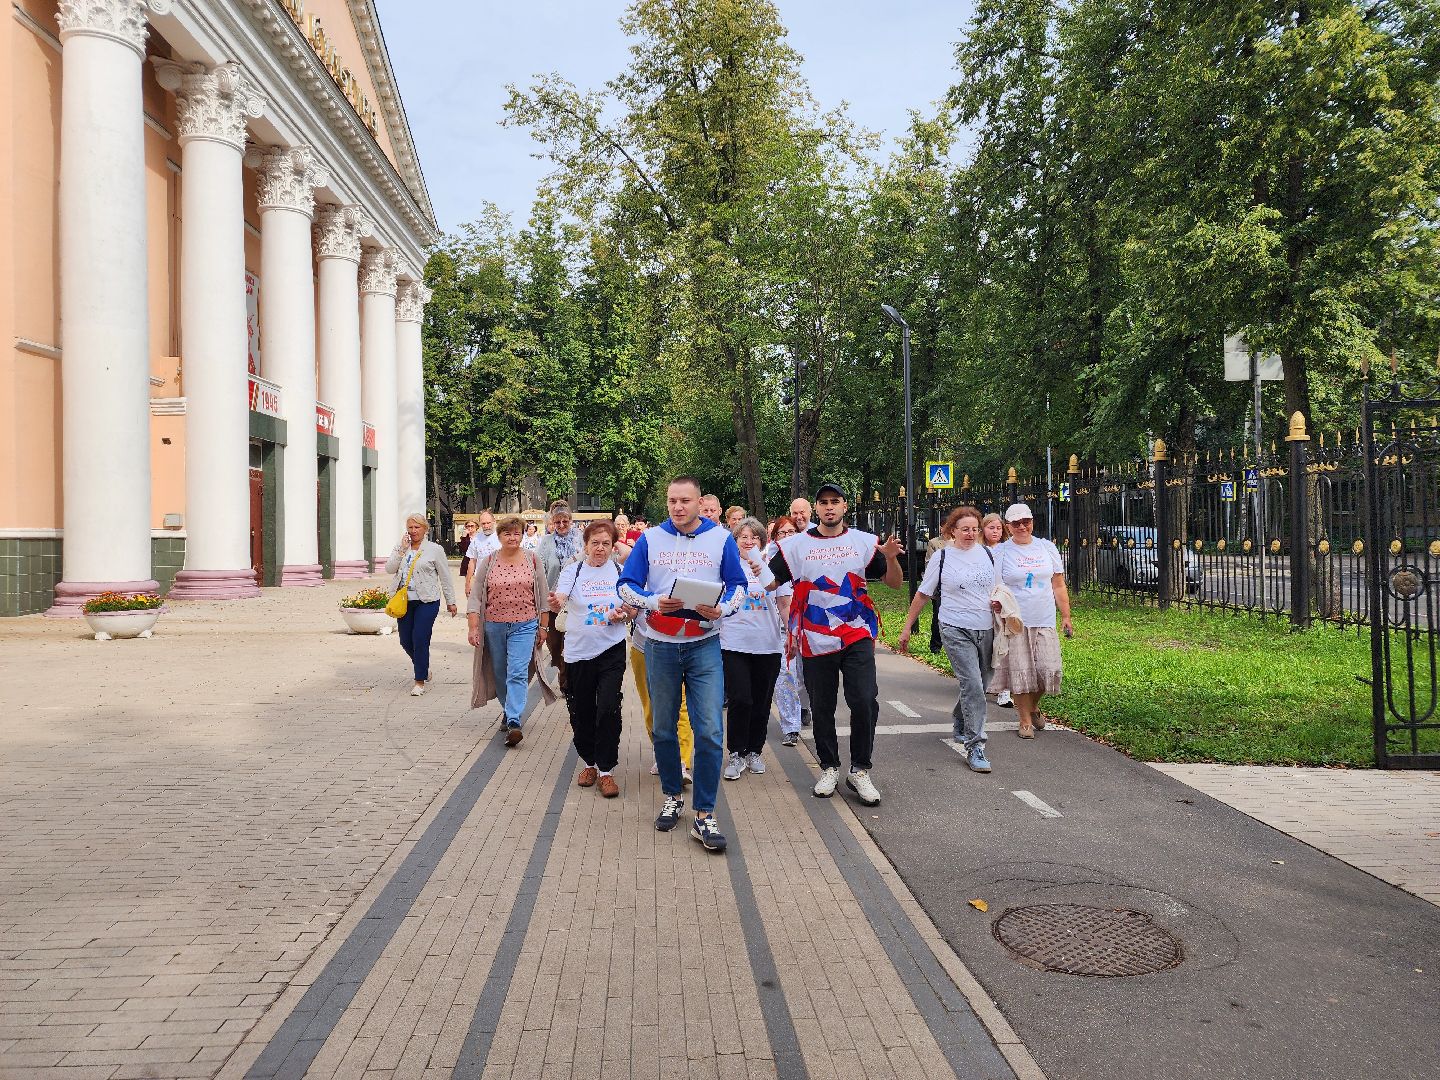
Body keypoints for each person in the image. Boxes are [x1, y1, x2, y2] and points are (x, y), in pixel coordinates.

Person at [619, 476, 748, 853]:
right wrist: (653, 601)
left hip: (704, 643)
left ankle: (705, 814)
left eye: (685, 501)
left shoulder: (721, 538)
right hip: (659, 645)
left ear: (699, 502)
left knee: (709, 731)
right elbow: (626, 585)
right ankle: (673, 796)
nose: (677, 507)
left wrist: (722, 608)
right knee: (663, 729)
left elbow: (738, 585)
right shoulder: (650, 538)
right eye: (672, 500)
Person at [770, 483, 902, 806]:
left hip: (856, 632)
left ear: (845, 507)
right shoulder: (798, 546)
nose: (829, 507)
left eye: (835, 502)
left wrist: (890, 559)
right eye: (823, 503)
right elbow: (769, 581)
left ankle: (860, 769)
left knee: (864, 699)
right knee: (822, 706)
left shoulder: (863, 542)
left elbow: (895, 583)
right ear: (816, 509)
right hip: (815, 638)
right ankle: (829, 766)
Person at [897, 506, 998, 772]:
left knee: (982, 683)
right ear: (952, 530)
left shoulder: (988, 554)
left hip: (986, 628)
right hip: (954, 626)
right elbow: (922, 594)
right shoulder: (942, 557)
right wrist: (907, 627)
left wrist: (1000, 605)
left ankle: (959, 715)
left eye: (975, 529)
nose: (970, 534)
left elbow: (998, 589)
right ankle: (976, 747)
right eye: (965, 529)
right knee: (973, 684)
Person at [553, 520, 632, 798]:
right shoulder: (572, 571)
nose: (600, 548)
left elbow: (631, 608)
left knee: (608, 707)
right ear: (585, 544)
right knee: (582, 709)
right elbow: (560, 596)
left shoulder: (621, 571)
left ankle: (607, 770)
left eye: (606, 543)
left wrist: (623, 614)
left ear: (613, 547)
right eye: (595, 543)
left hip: (611, 649)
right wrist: (555, 601)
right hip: (578, 652)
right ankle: (589, 763)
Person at [468, 515, 555, 745]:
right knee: (499, 672)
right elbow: (476, 597)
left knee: (517, 671)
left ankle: (514, 720)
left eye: (517, 533)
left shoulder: (532, 560)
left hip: (525, 624)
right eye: (507, 533)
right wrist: (473, 627)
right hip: (494, 625)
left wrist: (543, 626)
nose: (512, 537)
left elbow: (543, 597)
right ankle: (508, 709)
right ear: (500, 537)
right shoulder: (488, 561)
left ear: (522, 534)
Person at [989, 502, 1072, 739]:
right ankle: (1024, 718)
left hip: (1044, 617)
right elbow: (995, 587)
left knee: (1050, 669)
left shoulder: (1046, 548)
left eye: (1026, 521)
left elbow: (1058, 584)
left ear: (1033, 522)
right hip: (1015, 620)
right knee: (1021, 672)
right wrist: (996, 605)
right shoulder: (1001, 552)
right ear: (1009, 526)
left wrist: (1066, 615)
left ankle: (1034, 706)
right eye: (1016, 523)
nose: (1023, 526)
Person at [720, 517, 784, 780]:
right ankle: (736, 752)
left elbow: (782, 599)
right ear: (735, 542)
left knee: (761, 702)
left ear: (762, 541)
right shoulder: (727, 568)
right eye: (743, 537)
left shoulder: (772, 568)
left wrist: (791, 634)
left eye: (754, 537)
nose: (748, 542)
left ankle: (754, 751)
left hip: (768, 644)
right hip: (734, 642)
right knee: (740, 699)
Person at [385, 514, 458, 697]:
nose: (413, 531)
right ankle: (423, 667)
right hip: (404, 601)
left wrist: (451, 601)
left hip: (428, 600)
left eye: (417, 527)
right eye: (410, 527)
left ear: (425, 529)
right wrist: (401, 550)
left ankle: (419, 681)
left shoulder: (435, 549)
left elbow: (445, 576)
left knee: (420, 638)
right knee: (405, 640)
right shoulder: (402, 548)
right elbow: (389, 569)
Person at [766, 515, 805, 746]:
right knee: (786, 676)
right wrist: (791, 632)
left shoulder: (807, 556)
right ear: (775, 537)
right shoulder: (771, 561)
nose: (788, 537)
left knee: (805, 677)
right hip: (782, 629)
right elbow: (783, 602)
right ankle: (791, 726)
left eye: (792, 533)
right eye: (783, 533)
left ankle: (807, 712)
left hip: (813, 625)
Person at [537, 501, 583, 692]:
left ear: (571, 521)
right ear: (552, 524)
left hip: (575, 601)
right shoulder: (546, 542)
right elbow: (539, 571)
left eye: (565, 521)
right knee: (555, 644)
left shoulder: (580, 539)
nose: (562, 525)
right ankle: (561, 667)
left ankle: (567, 681)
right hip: (554, 601)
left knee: (570, 643)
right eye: (558, 522)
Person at [981, 512, 1014, 709]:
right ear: (983, 529)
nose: (995, 531)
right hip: (982, 602)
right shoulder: (978, 550)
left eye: (998, 528)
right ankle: (985, 681)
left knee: (1003, 643)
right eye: (991, 527)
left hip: (1002, 600)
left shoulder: (1006, 550)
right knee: (986, 643)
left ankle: (1005, 691)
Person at [463, 510, 502, 596]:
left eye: (489, 523)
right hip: (481, 582)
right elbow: (472, 561)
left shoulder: (502, 537)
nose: (486, 526)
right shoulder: (476, 539)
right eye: (483, 524)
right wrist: (468, 584)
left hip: (500, 582)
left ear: (494, 521)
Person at [458, 519, 479, 588]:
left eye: (472, 526)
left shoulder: (480, 537)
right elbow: (462, 550)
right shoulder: (465, 538)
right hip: (467, 563)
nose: (470, 528)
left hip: (479, 562)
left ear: (476, 527)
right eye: (467, 526)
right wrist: (464, 536)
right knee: (470, 585)